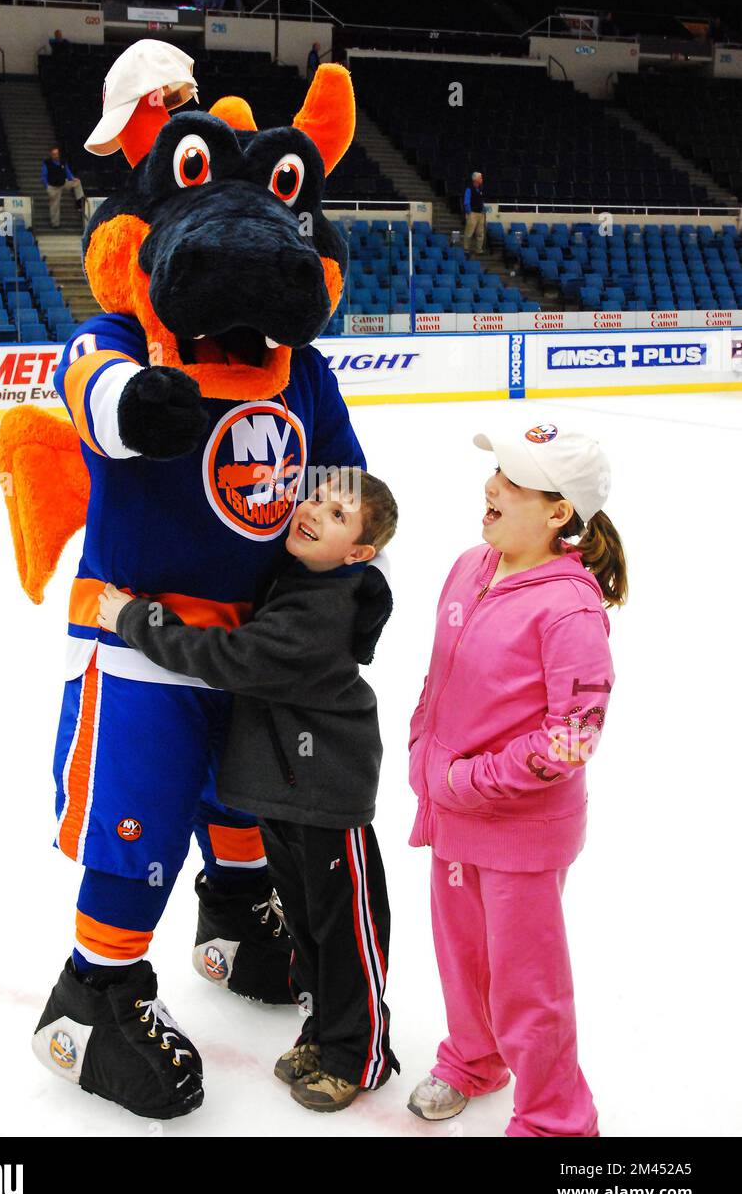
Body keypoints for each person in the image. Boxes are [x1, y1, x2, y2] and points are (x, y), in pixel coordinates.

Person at [98, 468, 401, 1113]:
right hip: (288, 793)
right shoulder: (300, 577)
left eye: (339, 515)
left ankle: (360, 1054)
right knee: (307, 926)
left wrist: (136, 621)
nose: (314, 511)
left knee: (345, 929)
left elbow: (231, 656)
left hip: (326, 794)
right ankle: (322, 1036)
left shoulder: (322, 606)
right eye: (317, 497)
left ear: (358, 554)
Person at [407, 421, 627, 1136]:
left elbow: (572, 738)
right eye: (494, 473)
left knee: (530, 988)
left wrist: (469, 781)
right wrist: (423, 751)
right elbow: (441, 677)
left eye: (510, 481)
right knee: (462, 959)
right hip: (451, 815)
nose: (490, 488)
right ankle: (474, 1060)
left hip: (519, 833)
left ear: (559, 511)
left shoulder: (569, 607)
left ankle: (556, 1121)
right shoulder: (472, 562)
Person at [41, 146, 85, 227]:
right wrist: (47, 186)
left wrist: (72, 178)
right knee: (54, 206)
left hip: (63, 183)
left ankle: (79, 200)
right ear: (51, 155)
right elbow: (44, 176)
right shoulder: (47, 163)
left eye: (57, 154)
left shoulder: (63, 162)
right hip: (53, 187)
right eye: (54, 154)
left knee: (77, 182)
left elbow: (67, 172)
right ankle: (55, 224)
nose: (56, 156)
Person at [462, 171, 486, 256]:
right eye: (480, 178)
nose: (482, 179)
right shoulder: (469, 189)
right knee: (469, 232)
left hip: (480, 214)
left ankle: (479, 249)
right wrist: (469, 212)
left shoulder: (481, 188)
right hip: (472, 214)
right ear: (475, 179)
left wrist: (483, 209)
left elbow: (481, 201)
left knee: (480, 233)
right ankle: (466, 249)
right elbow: (466, 202)